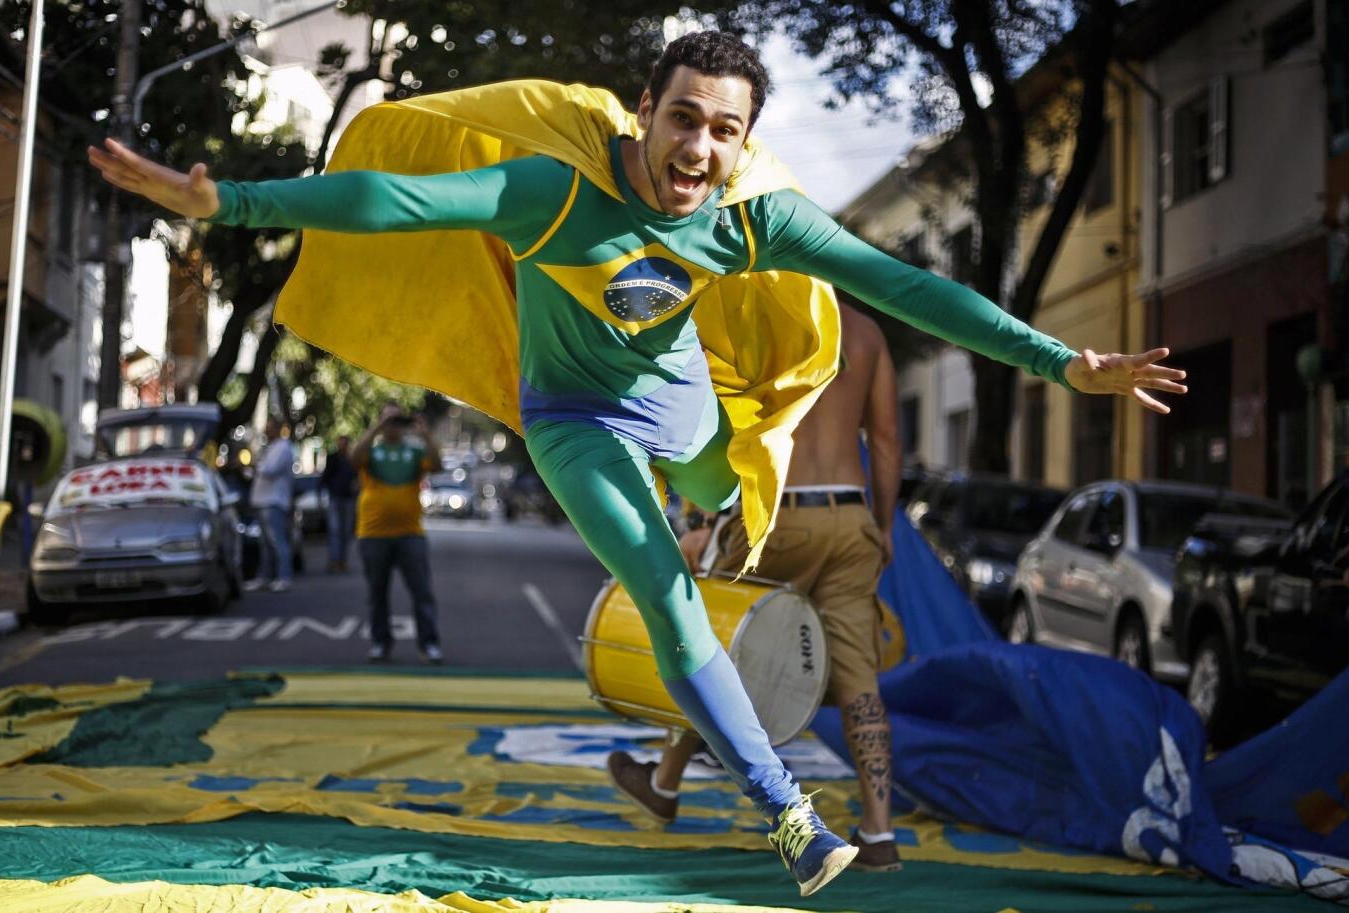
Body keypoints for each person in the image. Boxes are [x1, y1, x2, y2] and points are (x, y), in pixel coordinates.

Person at [88, 30, 1185, 896]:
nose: (697, 149)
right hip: (575, 421)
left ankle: (719, 523)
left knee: (727, 499)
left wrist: (1064, 359)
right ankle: (789, 817)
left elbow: (906, 286)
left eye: (723, 130)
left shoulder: (753, 218)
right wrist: (230, 201)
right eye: (682, 119)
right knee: (667, 594)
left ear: (744, 142)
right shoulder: (555, 191)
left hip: (693, 419)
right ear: (645, 115)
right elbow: (394, 201)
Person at [608, 304, 906, 871]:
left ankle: (664, 785)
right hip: (848, 515)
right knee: (859, 676)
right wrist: (885, 525)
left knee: (707, 642)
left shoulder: (759, 314)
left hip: (776, 513)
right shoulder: (867, 333)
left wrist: (700, 521)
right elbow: (887, 441)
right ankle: (879, 829)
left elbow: (710, 422)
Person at [351, 404, 443, 664]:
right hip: (372, 534)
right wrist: (376, 429)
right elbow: (354, 459)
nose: (392, 425)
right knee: (377, 594)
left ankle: (429, 644)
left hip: (410, 533)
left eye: (396, 420)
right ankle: (380, 643)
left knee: (422, 592)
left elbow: (437, 465)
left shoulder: (414, 452)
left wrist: (425, 434)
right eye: (387, 420)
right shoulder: (372, 450)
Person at [247, 417, 295, 593]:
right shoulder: (270, 448)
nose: (267, 431)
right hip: (263, 500)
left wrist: (254, 464)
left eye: (270, 428)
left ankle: (284, 577)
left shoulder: (283, 448)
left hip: (274, 501)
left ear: (278, 429)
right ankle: (265, 577)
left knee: (278, 541)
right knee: (265, 543)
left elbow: (270, 471)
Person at [320, 434, 358, 572]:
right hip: (335, 498)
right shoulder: (332, 458)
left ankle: (342, 560)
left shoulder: (352, 459)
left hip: (348, 498)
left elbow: (358, 477)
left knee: (346, 531)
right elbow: (325, 477)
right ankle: (334, 560)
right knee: (335, 530)